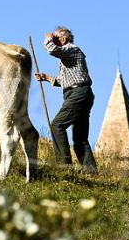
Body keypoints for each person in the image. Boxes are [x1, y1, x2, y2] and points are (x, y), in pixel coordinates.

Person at [35, 27, 98, 173]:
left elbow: (53, 50)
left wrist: (48, 38)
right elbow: (66, 80)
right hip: (81, 93)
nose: (54, 40)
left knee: (57, 125)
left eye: (56, 38)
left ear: (63, 39)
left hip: (78, 94)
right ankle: (91, 171)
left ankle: (64, 166)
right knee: (80, 138)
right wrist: (46, 78)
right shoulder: (69, 55)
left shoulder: (71, 49)